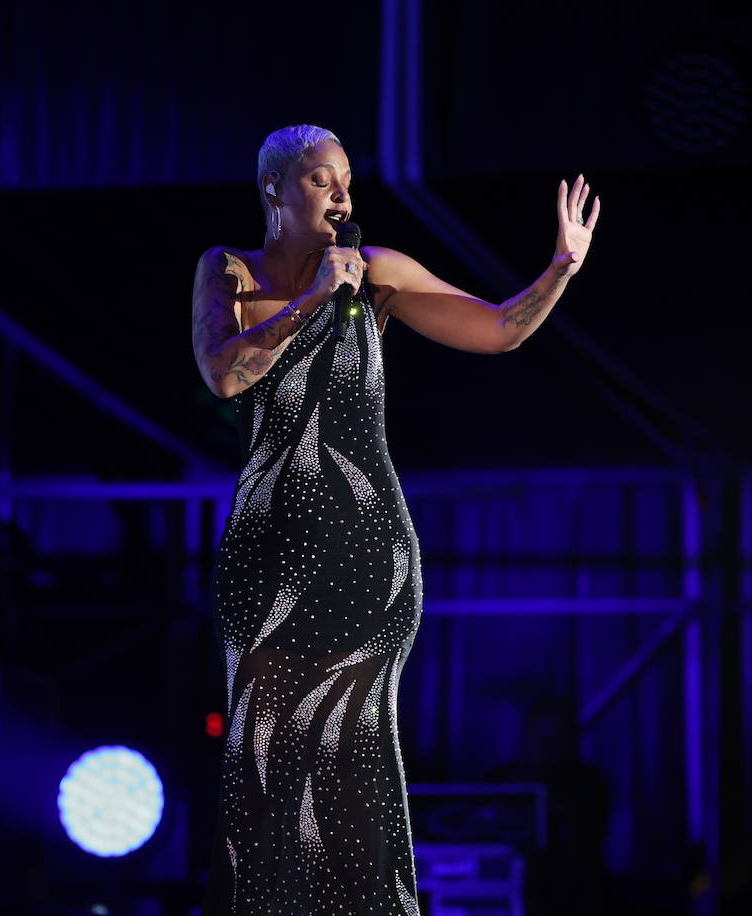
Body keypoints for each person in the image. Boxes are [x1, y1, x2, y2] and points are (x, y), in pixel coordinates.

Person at [192, 124, 598, 914]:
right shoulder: (226, 270)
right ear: (273, 189)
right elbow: (223, 374)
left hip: (364, 551)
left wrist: (560, 268)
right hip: (268, 551)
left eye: (346, 180)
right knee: (263, 750)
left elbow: (499, 329)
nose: (342, 195)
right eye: (320, 180)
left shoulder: (378, 276)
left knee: (355, 752)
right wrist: (311, 300)